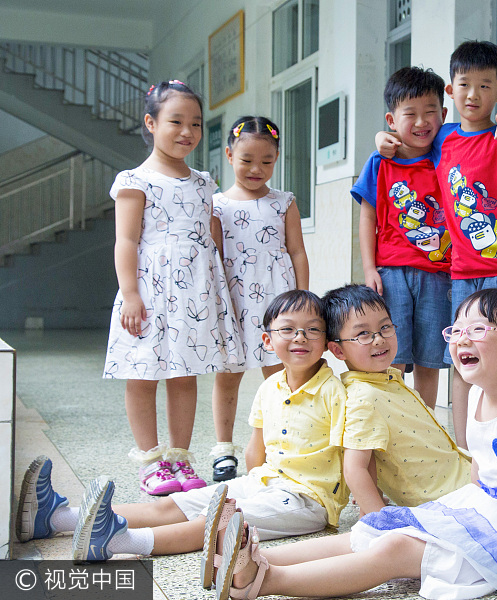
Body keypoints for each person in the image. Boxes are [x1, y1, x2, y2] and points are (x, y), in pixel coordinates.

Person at [208, 288, 497, 600]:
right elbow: (478, 471)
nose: (462, 339)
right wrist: (454, 510)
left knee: (394, 549)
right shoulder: (477, 394)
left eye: (479, 329)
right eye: (459, 330)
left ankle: (262, 582)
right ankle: (252, 555)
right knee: (374, 529)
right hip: (485, 508)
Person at [16, 290, 348, 567]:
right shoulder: (270, 386)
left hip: (308, 502)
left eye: (312, 330)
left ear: (327, 341)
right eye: (288, 329)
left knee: (215, 522)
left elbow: (352, 455)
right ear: (267, 339)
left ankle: (116, 541)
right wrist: (251, 486)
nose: (300, 337)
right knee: (172, 505)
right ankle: (55, 518)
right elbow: (254, 449)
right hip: (262, 482)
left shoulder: (336, 391)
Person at [378, 40, 497, 449]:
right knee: (460, 363)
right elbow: (406, 133)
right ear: (450, 90)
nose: (473, 94)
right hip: (461, 275)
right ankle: (463, 450)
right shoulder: (443, 138)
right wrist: (382, 137)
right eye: (464, 84)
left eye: (486, 86)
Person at [102, 80, 244, 495]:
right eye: (176, 121)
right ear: (151, 123)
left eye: (196, 123)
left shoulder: (203, 182)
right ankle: (150, 461)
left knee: (186, 374)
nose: (187, 131)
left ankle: (179, 458)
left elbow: (210, 239)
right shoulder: (135, 180)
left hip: (194, 293)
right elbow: (126, 241)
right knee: (143, 372)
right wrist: (130, 293)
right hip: (149, 290)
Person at [208, 116, 310, 482]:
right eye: (247, 159)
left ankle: (282, 447)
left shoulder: (284, 202)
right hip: (234, 301)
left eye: (266, 161)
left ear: (277, 158)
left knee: (281, 375)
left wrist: (301, 300)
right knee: (228, 375)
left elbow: (297, 251)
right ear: (229, 154)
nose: (256, 169)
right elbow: (215, 258)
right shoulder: (216, 205)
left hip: (278, 302)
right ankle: (224, 450)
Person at [352, 67, 452, 410]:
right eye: (411, 114)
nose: (422, 121)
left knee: (430, 358)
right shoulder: (379, 163)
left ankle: (425, 423)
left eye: (430, 112)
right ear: (392, 119)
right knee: (391, 353)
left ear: (444, 115)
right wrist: (369, 268)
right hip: (391, 273)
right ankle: (393, 420)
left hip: (438, 274)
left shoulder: (446, 156)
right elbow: (367, 217)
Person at [323, 284, 471, 516]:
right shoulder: (363, 397)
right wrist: (378, 519)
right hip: (448, 500)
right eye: (363, 334)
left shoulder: (388, 378)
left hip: (462, 478)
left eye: (385, 327)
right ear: (338, 351)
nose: (379, 339)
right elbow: (354, 468)